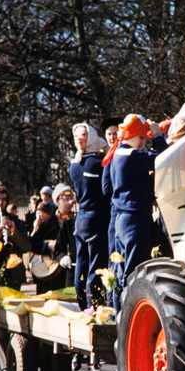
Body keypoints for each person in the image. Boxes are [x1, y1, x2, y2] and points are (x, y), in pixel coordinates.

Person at [100, 114, 168, 306]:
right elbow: (163, 158)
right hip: (134, 221)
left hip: (123, 220)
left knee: (121, 271)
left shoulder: (117, 154)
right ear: (134, 134)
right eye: (142, 137)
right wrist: (158, 135)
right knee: (135, 272)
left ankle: (119, 314)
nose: (144, 141)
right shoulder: (130, 154)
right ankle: (127, 317)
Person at [69, 122, 110, 309]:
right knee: (95, 264)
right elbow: (106, 190)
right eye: (77, 135)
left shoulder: (74, 166)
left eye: (83, 135)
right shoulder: (97, 163)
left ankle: (81, 302)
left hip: (80, 220)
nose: (79, 138)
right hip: (96, 218)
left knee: (81, 263)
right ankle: (94, 304)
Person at [0, 180, 30, 291]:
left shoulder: (16, 222)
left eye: (3, 199)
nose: (0, 203)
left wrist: (15, 233)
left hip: (13, 275)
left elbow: (27, 247)